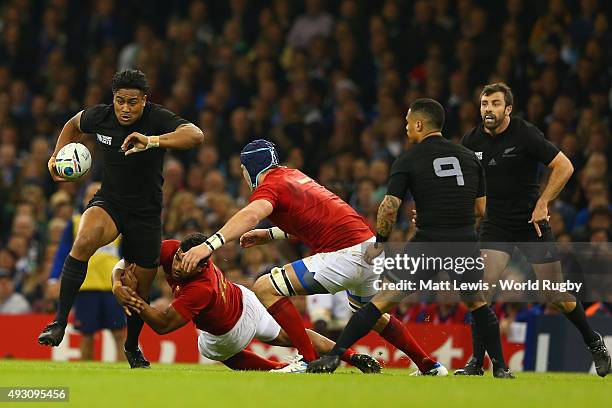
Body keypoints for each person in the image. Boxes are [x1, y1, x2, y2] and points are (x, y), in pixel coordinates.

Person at [179, 139, 444, 374]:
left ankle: (306, 359)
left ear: (249, 169)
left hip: (346, 254)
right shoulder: (293, 176)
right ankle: (429, 365)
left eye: (243, 171)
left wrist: (210, 245)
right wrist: (269, 235)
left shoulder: (270, 185)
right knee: (372, 315)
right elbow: (312, 221)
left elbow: (251, 214)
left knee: (265, 287)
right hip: (369, 247)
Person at [306, 98, 502, 375]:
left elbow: (389, 206)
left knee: (382, 301)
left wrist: (381, 242)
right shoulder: (469, 157)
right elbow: (481, 209)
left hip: (428, 243)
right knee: (478, 303)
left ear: (420, 124)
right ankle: (501, 368)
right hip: (463, 241)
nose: (406, 127)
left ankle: (336, 355)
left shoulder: (409, 159)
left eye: (408, 122)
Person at [37, 69, 205, 369]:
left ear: (144, 101)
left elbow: (195, 135)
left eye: (132, 102)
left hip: (146, 213)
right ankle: (58, 323)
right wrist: (56, 154)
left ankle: (131, 347)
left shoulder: (156, 118)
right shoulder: (100, 116)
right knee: (85, 239)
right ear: (112, 100)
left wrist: (152, 141)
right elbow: (73, 124)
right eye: (119, 101)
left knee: (138, 289)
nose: (125, 109)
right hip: (110, 202)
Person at [458, 82, 610, 378]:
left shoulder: (524, 133)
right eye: (484, 104)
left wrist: (543, 202)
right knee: (482, 291)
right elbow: (462, 183)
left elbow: (564, 166)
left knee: (554, 294)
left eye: (495, 104)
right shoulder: (471, 140)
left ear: (508, 109)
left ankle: (594, 342)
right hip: (495, 224)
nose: (488, 109)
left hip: (531, 224)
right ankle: (477, 362)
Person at [114, 233, 380, 373]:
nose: (181, 267)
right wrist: (117, 282)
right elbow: (127, 262)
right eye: (179, 259)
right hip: (244, 299)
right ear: (179, 249)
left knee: (212, 349)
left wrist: (134, 300)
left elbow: (162, 326)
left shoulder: (201, 288)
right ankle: (352, 356)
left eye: (190, 264)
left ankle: (281, 368)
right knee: (295, 335)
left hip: (229, 333)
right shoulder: (173, 249)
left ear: (204, 264)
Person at [47, 182, 126, 361]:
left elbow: (125, 254)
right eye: (90, 195)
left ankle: (125, 373)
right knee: (87, 335)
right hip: (85, 286)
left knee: (120, 334)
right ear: (84, 200)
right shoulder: (76, 223)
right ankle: (86, 373)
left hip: (112, 286)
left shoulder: (118, 223)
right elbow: (63, 252)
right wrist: (53, 278)